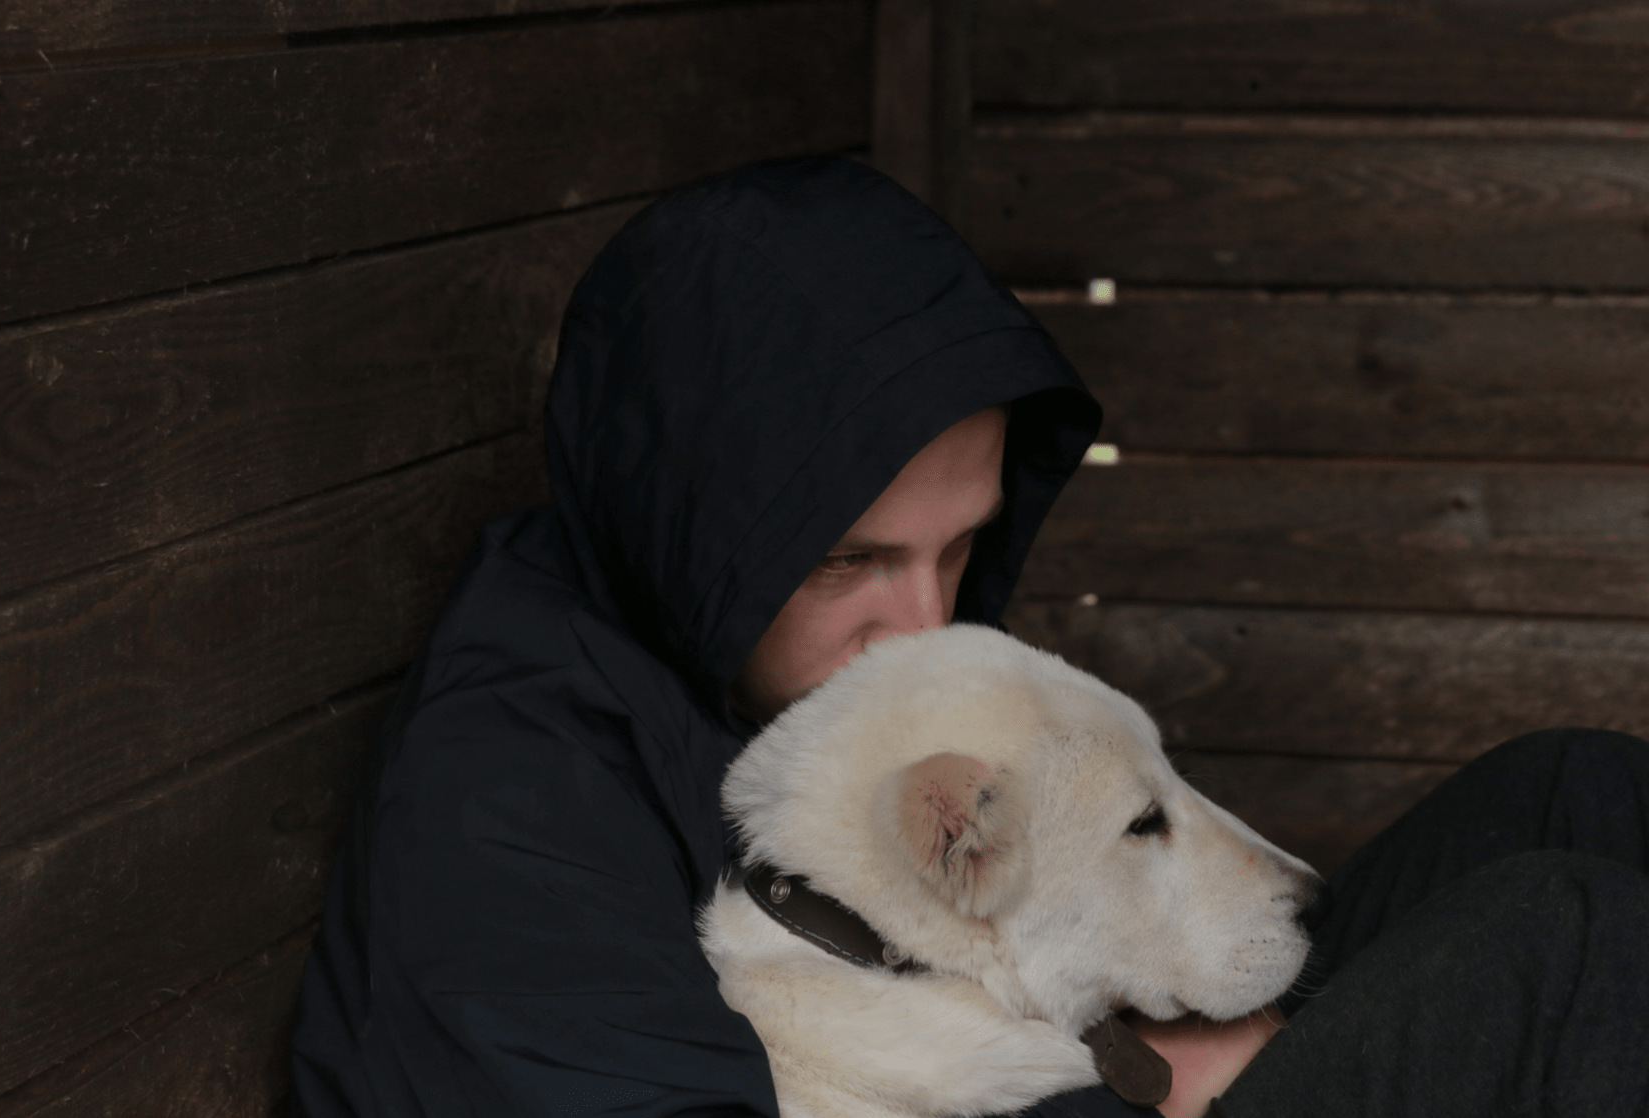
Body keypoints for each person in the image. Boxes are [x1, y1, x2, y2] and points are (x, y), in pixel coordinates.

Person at [289, 156, 1649, 1118]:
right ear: (718, 521)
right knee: (1566, 952)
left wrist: (1121, 1034)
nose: (927, 622)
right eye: (855, 559)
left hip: (1047, 1056)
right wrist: (1117, 1086)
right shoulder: (502, 801)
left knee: (1572, 789)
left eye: (961, 549)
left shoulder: (743, 643)